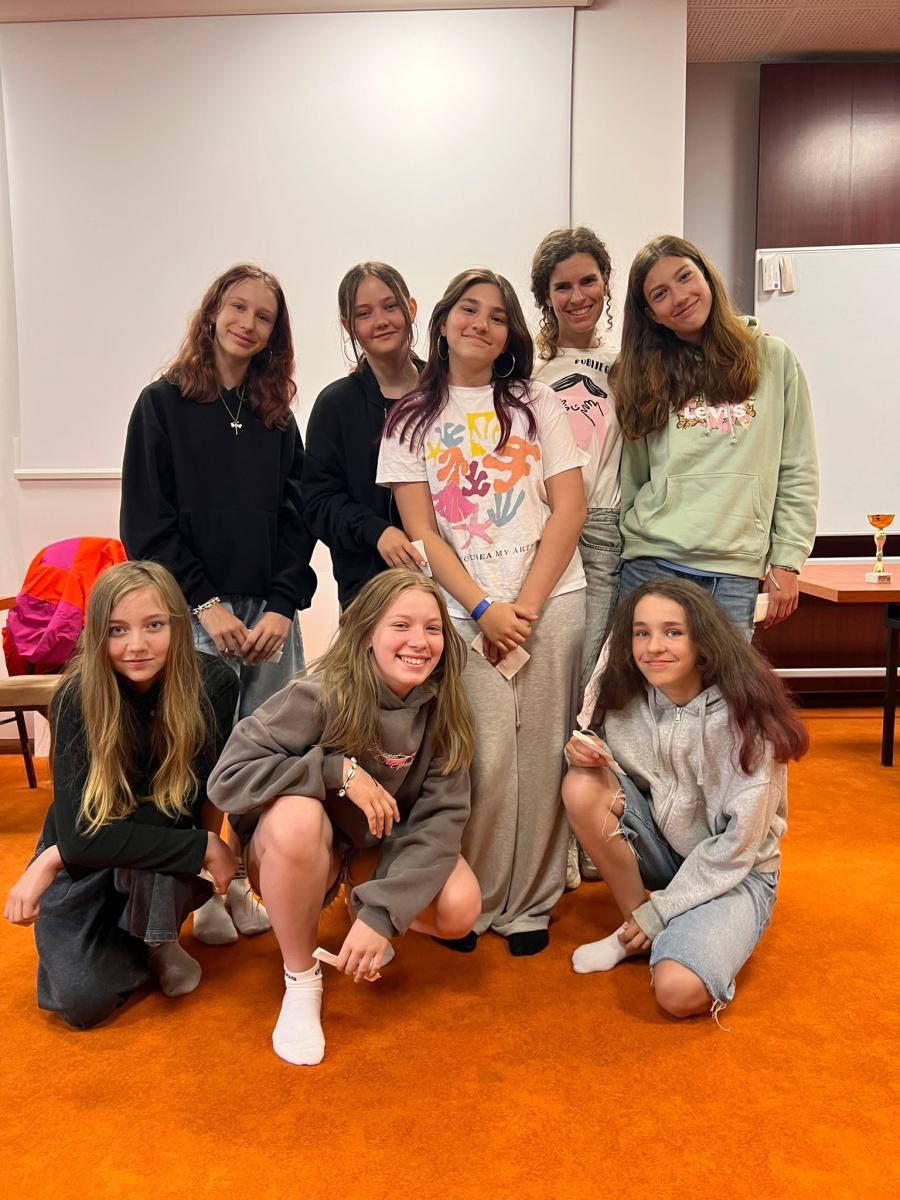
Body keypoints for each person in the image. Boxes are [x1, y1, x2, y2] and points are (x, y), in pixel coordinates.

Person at [377, 268, 588, 956]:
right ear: (442, 322)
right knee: (485, 758)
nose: (482, 324)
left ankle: (531, 903)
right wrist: (481, 608)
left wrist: (523, 608)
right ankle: (480, 897)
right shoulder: (408, 417)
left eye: (498, 316)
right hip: (461, 612)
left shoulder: (535, 401)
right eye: (469, 310)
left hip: (551, 599)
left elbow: (570, 507)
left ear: (509, 335)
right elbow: (421, 531)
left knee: (545, 756)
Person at [206, 569, 481, 1066]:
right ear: (368, 633)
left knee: (460, 907)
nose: (419, 642)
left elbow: (440, 822)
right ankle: (301, 977)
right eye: (401, 626)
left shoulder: (445, 708)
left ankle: (360, 905)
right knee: (297, 816)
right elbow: (228, 779)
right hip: (297, 850)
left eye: (433, 628)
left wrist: (381, 913)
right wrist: (336, 772)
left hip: (371, 848)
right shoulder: (319, 693)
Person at [120, 263, 317, 943]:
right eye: (237, 308)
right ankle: (205, 890)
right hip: (193, 612)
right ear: (212, 312)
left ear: (274, 334)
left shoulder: (276, 419)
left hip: (268, 618)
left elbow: (299, 522)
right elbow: (147, 523)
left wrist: (282, 606)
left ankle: (250, 887)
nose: (247, 324)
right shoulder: (162, 404)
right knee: (197, 757)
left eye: (264, 317)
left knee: (267, 756)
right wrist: (204, 604)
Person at [3, 562, 240, 1029]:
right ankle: (135, 939)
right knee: (81, 1003)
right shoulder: (75, 697)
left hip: (156, 848)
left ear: (178, 625)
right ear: (97, 634)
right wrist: (57, 855)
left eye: (153, 625)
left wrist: (198, 844)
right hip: (85, 849)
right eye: (117, 630)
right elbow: (80, 838)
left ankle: (158, 940)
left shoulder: (213, 684)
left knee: (165, 834)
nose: (136, 646)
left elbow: (183, 806)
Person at [562, 578, 808, 1021]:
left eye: (672, 632)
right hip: (667, 849)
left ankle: (654, 925)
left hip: (736, 871)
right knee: (581, 784)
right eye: (641, 632)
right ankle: (636, 929)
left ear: (703, 641)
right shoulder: (626, 693)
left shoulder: (749, 721)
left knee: (677, 992)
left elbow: (738, 850)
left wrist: (663, 911)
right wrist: (581, 751)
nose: (653, 647)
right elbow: (612, 765)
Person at [610, 235, 818, 637]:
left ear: (707, 275)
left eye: (685, 277)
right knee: (644, 682)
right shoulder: (642, 375)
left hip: (734, 572)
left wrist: (787, 561)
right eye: (660, 294)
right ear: (651, 313)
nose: (680, 297)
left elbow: (797, 467)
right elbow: (633, 478)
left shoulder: (772, 358)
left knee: (724, 682)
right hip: (652, 563)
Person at [302, 262, 426, 609]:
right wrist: (376, 531)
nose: (381, 321)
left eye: (390, 306)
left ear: (411, 308)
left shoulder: (446, 392)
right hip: (369, 593)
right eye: (364, 313)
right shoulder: (336, 404)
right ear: (349, 326)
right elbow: (317, 502)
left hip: (454, 590)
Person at [531, 227, 623, 687]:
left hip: (603, 527)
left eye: (588, 281)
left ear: (605, 281)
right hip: (542, 525)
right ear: (546, 297)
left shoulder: (626, 365)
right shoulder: (529, 367)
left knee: (587, 672)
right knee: (541, 664)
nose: (578, 296)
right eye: (563, 286)